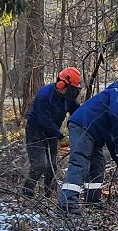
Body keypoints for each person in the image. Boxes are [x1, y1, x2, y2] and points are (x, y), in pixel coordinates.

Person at [62, 80, 118, 215]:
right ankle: (67, 203)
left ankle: (92, 200)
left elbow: (110, 134)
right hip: (83, 126)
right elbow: (117, 116)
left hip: (92, 131)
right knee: (79, 162)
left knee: (98, 163)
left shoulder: (115, 94)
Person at [23, 67, 84, 199]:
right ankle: (27, 193)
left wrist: (85, 120)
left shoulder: (67, 98)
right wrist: (60, 136)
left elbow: (77, 112)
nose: (74, 93)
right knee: (39, 165)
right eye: (73, 89)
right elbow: (44, 120)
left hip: (52, 132)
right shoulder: (44, 96)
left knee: (51, 166)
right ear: (62, 84)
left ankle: (49, 195)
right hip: (36, 132)